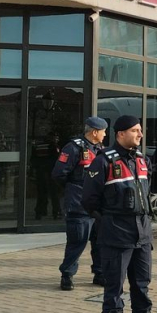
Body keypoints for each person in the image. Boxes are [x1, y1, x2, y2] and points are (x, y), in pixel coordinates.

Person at [82, 115, 154, 313]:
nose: (140, 134)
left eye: (140, 130)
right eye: (135, 130)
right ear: (121, 134)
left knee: (142, 286)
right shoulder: (102, 161)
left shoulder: (142, 160)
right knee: (114, 288)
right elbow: (89, 201)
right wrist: (108, 222)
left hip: (143, 235)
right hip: (116, 236)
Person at [52, 117, 108, 291]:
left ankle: (99, 273)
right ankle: (67, 275)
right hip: (78, 205)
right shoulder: (73, 148)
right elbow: (59, 174)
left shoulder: (101, 150)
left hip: (98, 205)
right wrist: (75, 189)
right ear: (94, 132)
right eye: (103, 131)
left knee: (100, 242)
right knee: (77, 241)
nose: (105, 134)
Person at [33, 132, 62, 220]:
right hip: (51, 172)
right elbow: (57, 159)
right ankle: (56, 212)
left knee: (41, 193)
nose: (57, 140)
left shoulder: (38, 146)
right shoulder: (53, 146)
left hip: (40, 172)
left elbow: (33, 159)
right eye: (55, 138)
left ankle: (40, 212)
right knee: (54, 193)